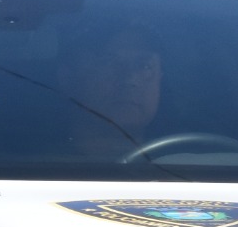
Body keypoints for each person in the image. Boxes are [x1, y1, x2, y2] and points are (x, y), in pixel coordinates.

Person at [58, 28, 165, 158]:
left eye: (145, 66)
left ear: (160, 79)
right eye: (109, 63)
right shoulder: (35, 169)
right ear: (68, 78)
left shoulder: (187, 164)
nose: (130, 79)